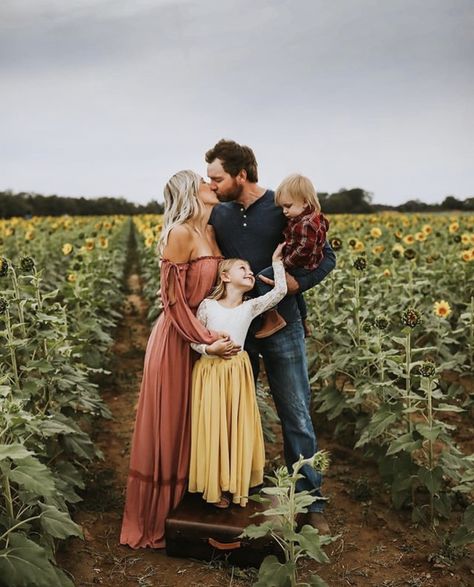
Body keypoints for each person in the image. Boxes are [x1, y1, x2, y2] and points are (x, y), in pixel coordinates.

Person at [206, 140, 336, 533]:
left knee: (295, 412)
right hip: (237, 328)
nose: (212, 185)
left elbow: (326, 257)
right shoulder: (219, 214)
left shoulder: (282, 205)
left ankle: (310, 502)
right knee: (233, 409)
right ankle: (236, 486)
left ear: (240, 174)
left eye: (218, 177)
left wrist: (298, 282)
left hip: (283, 324)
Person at [120, 170, 240, 549]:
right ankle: (160, 515)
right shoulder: (180, 234)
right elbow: (172, 303)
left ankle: (190, 509)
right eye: (204, 182)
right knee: (172, 422)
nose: (212, 185)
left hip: (203, 338)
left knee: (196, 421)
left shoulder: (211, 232)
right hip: (177, 340)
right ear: (191, 191)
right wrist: (205, 341)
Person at [188, 244, 287, 508]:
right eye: (243, 268)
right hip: (210, 372)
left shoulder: (250, 307)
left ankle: (235, 484)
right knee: (214, 426)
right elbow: (194, 341)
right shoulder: (208, 306)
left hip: (237, 372)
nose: (250, 272)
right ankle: (215, 486)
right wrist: (210, 349)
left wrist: (277, 261)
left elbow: (280, 291)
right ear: (225, 276)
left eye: (251, 270)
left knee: (234, 424)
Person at [254, 173, 330, 339]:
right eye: (282, 207)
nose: (284, 211)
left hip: (301, 264)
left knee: (262, 279)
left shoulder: (305, 223)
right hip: (310, 263)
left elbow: (303, 248)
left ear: (304, 202)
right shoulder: (315, 217)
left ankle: (272, 317)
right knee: (296, 293)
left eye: (288, 206)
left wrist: (282, 264)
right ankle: (303, 321)